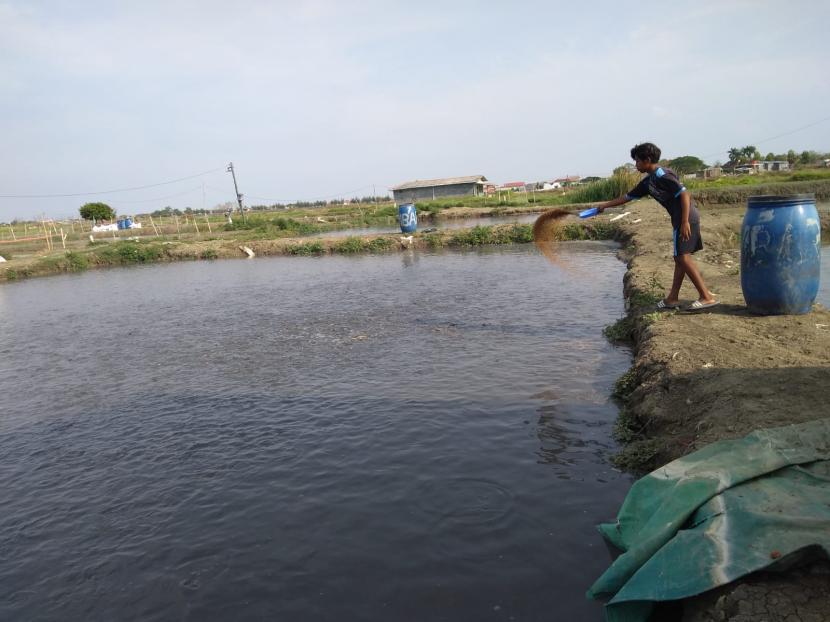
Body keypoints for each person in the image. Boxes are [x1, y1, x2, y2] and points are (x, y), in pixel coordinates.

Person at [596, 142, 718, 311]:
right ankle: (672, 298)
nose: (636, 165)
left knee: (682, 257)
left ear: (647, 160)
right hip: (679, 218)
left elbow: (684, 194)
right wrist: (605, 205)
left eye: (637, 161)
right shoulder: (648, 182)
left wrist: (684, 222)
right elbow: (628, 196)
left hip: (686, 217)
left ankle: (706, 296)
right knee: (680, 258)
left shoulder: (663, 175)